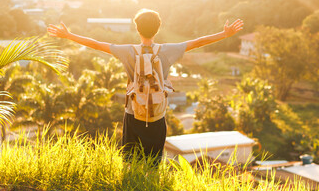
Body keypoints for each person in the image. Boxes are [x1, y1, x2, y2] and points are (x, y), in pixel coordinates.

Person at [47, 9, 244, 167]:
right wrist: (225, 34)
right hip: (157, 115)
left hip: (132, 113)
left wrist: (68, 35)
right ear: (158, 29)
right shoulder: (168, 51)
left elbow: (97, 44)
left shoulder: (127, 51)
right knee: (153, 164)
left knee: (130, 161)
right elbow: (197, 42)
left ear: (137, 28)